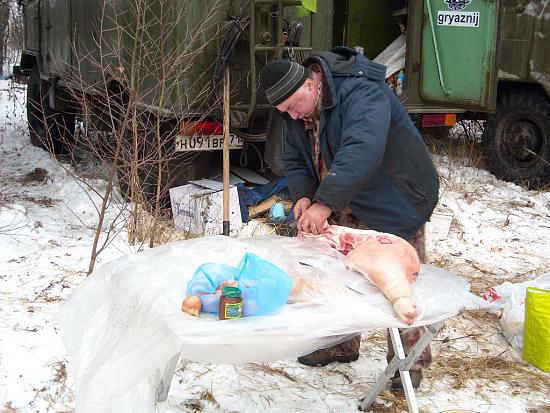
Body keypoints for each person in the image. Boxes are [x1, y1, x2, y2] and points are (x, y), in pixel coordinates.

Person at [259, 47, 439, 390]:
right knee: (340, 272)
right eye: (286, 112)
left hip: (396, 197)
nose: (293, 117)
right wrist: (303, 196)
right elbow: (295, 159)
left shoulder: (360, 91)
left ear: (311, 84)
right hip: (348, 196)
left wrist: (324, 203)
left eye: (295, 106)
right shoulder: (295, 113)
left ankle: (409, 362)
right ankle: (341, 343)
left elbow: (362, 149)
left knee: (399, 280)